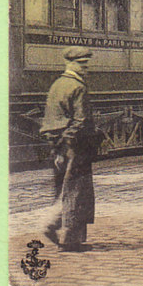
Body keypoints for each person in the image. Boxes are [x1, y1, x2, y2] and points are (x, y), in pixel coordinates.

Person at [39, 46, 101, 252]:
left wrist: (56, 148)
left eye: (86, 64)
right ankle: (61, 233)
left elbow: (49, 120)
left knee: (63, 189)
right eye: (82, 64)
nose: (86, 68)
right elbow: (80, 121)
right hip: (75, 147)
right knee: (76, 191)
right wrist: (68, 143)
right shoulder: (78, 87)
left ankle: (72, 237)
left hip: (57, 146)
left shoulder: (57, 85)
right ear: (71, 64)